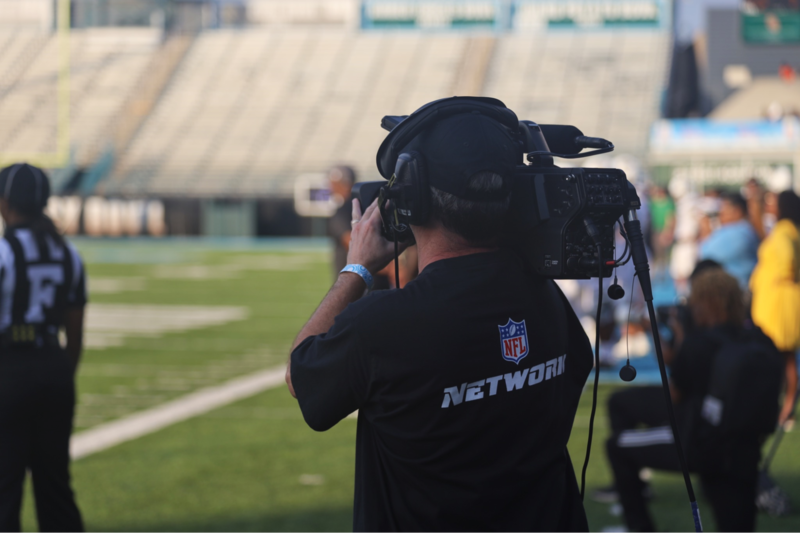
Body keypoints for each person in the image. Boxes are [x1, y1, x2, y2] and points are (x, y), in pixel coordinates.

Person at [286, 108, 594, 531]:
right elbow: (577, 367)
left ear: (413, 199)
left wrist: (356, 269)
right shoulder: (545, 297)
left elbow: (302, 379)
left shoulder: (381, 325)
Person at [604, 269, 775, 533]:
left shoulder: (698, 342)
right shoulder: (759, 339)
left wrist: (681, 334)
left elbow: (675, 395)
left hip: (698, 442)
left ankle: (639, 528)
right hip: (744, 449)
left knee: (616, 446)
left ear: (703, 303)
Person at [0, 163, 86, 532]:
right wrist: (60, 372)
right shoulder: (69, 254)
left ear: (5, 202)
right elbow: (76, 332)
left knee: (4, 488)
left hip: (10, 368)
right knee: (54, 488)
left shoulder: (4, 252)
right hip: (54, 366)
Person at [750, 190, 800, 425]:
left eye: (773, 202)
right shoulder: (787, 230)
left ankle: (785, 408)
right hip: (779, 301)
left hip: (778, 303)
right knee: (785, 357)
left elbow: (786, 264)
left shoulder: (784, 233)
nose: (770, 205)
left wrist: (773, 278)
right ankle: (785, 408)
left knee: (780, 356)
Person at [698, 192, 759, 289]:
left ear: (737, 211)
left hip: (739, 293)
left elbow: (706, 254)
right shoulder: (744, 230)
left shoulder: (739, 233)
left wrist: (706, 231)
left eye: (723, 209)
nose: (720, 214)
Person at [326, 165, 357, 278]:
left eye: (334, 183)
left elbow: (354, 246)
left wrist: (388, 269)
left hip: (353, 280)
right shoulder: (365, 205)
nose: (331, 187)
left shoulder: (342, 211)